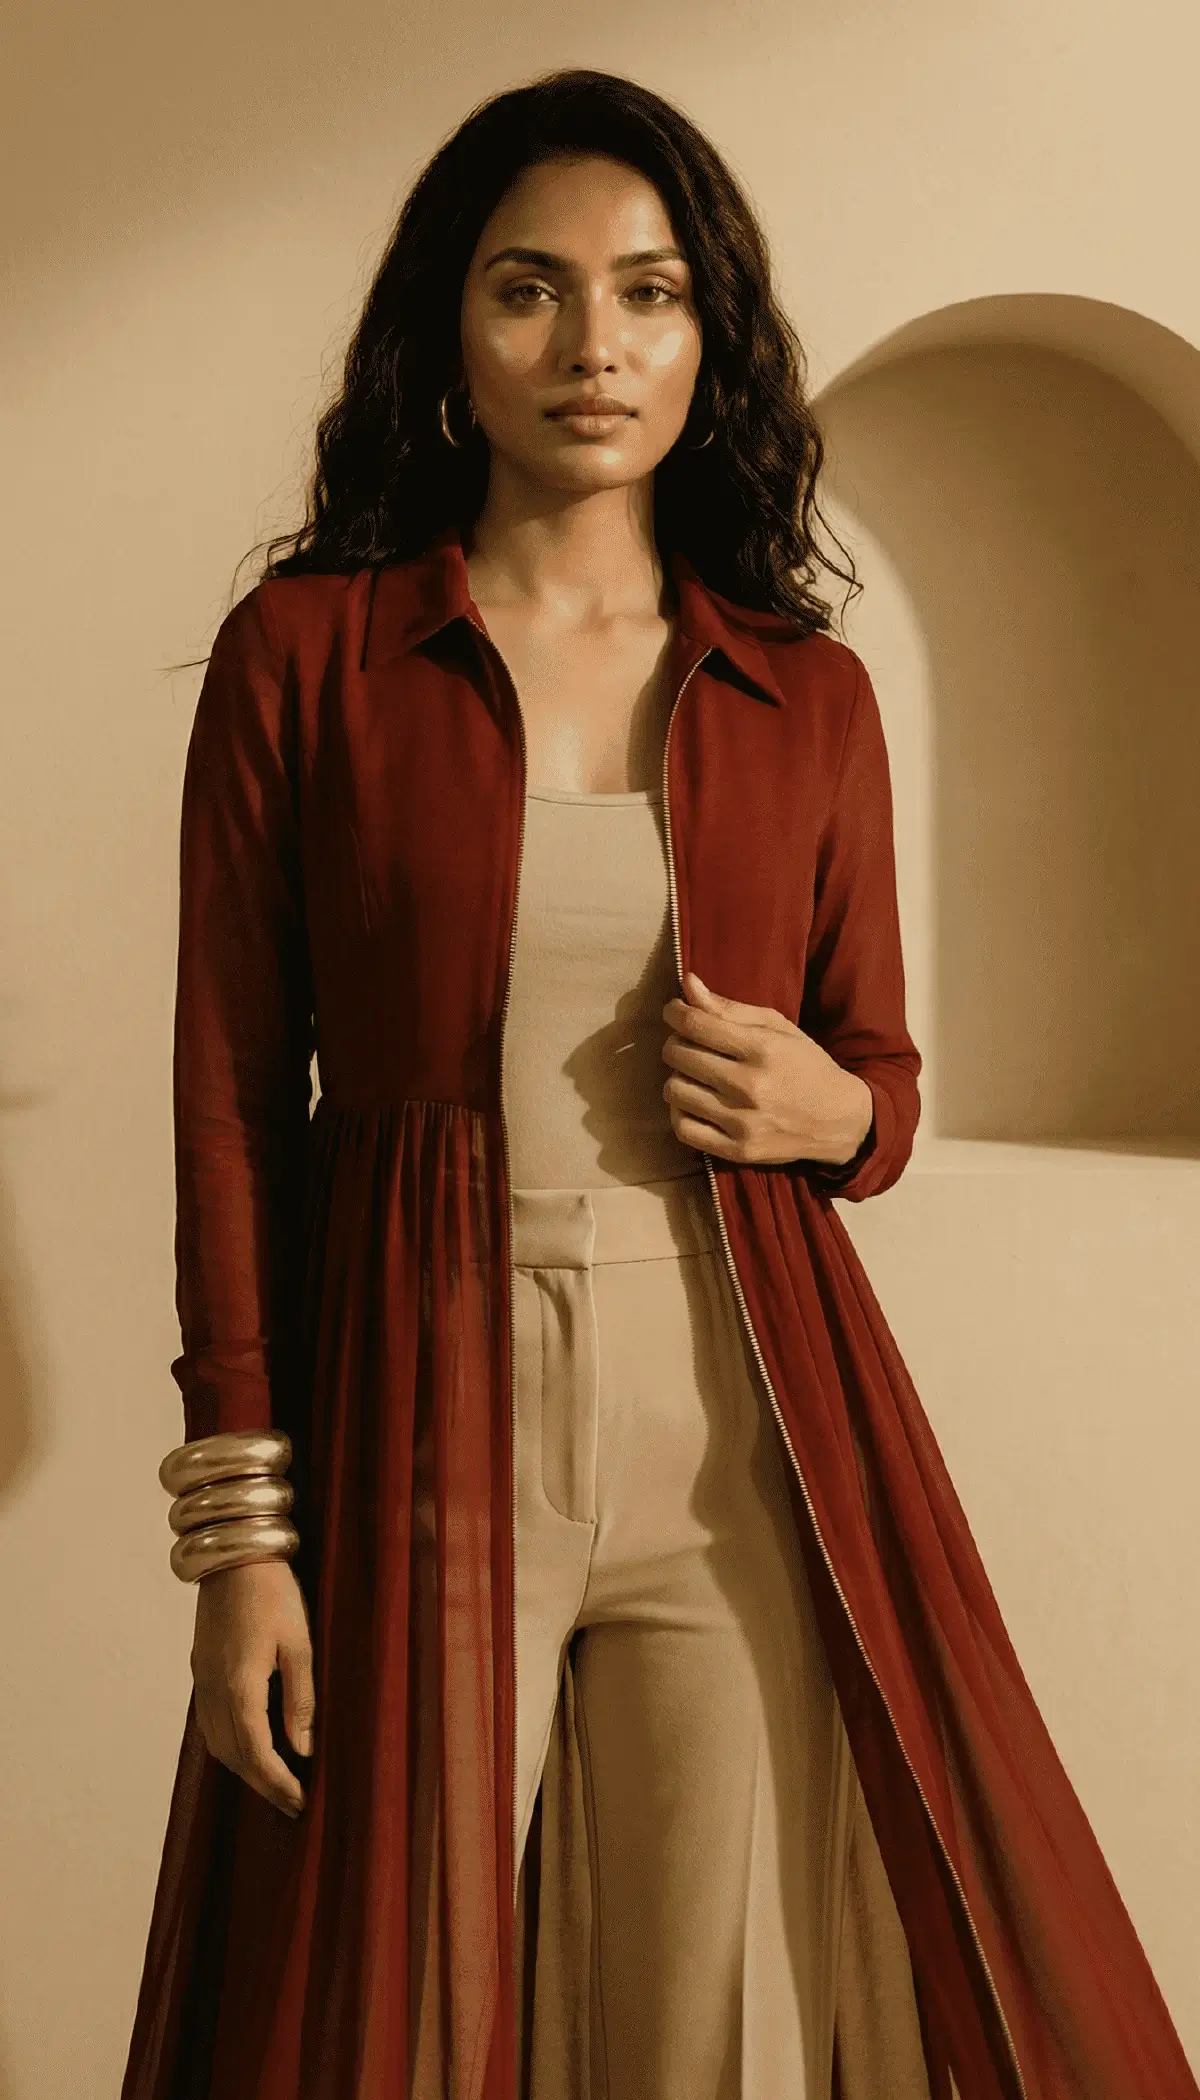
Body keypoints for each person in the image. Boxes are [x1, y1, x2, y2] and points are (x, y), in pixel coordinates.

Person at [122, 66, 1199, 2100]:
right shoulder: (311, 658)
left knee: (689, 2039)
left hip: (736, 1427)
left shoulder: (809, 690)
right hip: (417, 1413)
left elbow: (877, 1072)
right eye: (530, 288)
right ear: (451, 330)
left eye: (650, 291)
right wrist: (241, 1535)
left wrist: (839, 1114)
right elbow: (230, 1103)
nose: (593, 346)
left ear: (712, 340)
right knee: (383, 2023)